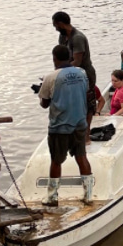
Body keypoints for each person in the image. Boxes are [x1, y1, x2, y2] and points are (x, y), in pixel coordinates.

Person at [38, 43, 94, 206]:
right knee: (81, 157)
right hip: (80, 123)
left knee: (56, 161)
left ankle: (52, 197)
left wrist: (40, 91)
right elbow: (82, 92)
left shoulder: (51, 77)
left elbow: (44, 104)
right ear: (69, 57)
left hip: (59, 127)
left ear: (54, 59)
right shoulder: (82, 73)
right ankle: (88, 195)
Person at [52, 12, 97, 131]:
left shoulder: (77, 38)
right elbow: (61, 57)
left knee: (88, 104)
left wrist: (59, 72)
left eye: (55, 25)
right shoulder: (62, 37)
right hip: (68, 74)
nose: (55, 29)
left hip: (85, 74)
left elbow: (77, 61)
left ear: (61, 24)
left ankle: (86, 134)